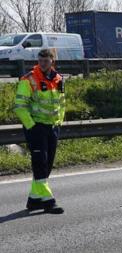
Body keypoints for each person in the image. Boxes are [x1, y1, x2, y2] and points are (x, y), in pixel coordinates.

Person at [14, 49, 66, 214]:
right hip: (35, 127)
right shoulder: (29, 79)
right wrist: (32, 126)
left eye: (46, 60)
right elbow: (19, 106)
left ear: (52, 61)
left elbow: (62, 103)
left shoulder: (58, 79)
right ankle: (49, 201)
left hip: (52, 127)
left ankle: (34, 200)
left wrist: (59, 122)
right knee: (40, 163)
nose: (42, 63)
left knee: (48, 164)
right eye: (40, 60)